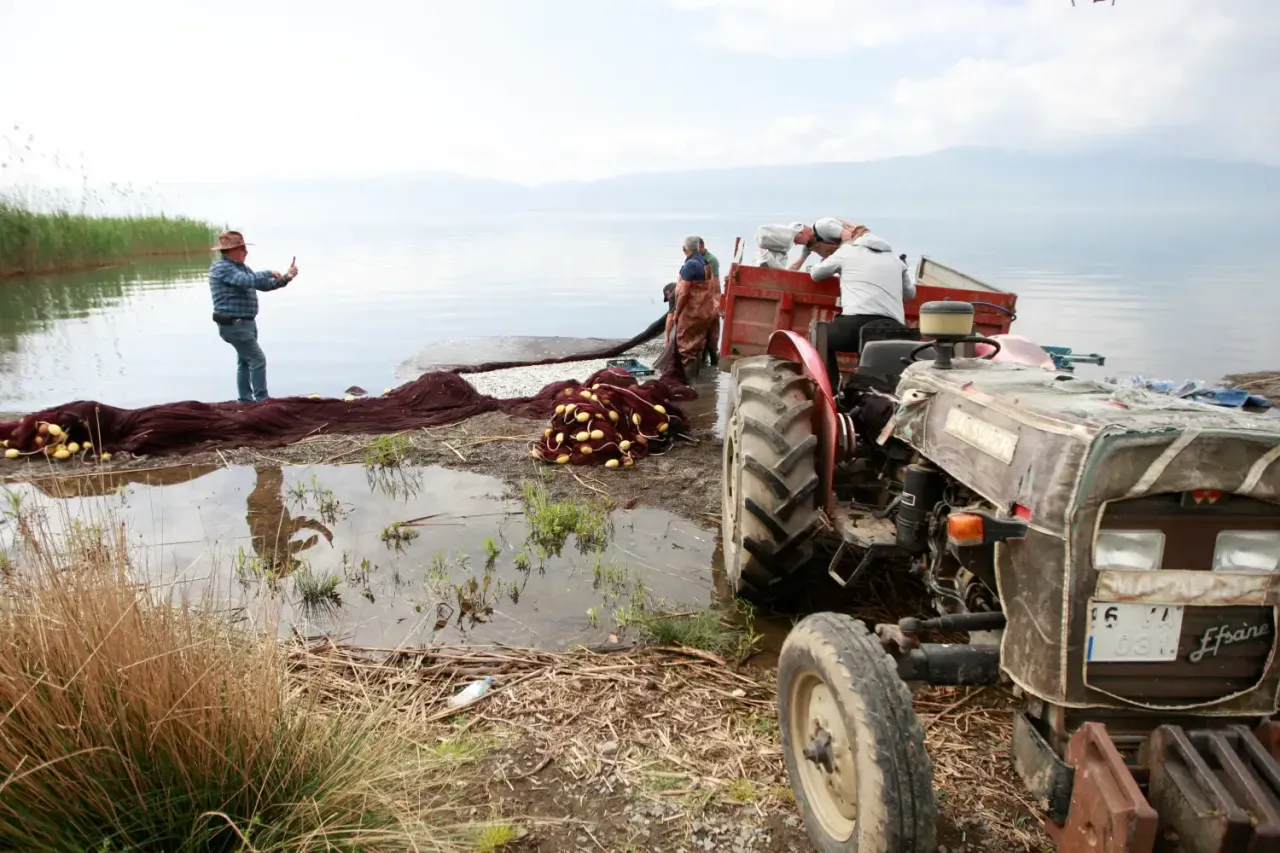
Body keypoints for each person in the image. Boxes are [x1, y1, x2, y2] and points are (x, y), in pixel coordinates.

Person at [809, 231, 915, 385]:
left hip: (855, 325)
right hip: (894, 329)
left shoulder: (847, 251)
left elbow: (816, 274)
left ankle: (830, 389)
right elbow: (910, 294)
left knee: (821, 336)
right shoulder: (896, 260)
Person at [208, 231, 298, 404]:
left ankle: (246, 400)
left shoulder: (241, 268)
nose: (246, 252)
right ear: (231, 250)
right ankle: (262, 400)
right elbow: (246, 281)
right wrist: (269, 272)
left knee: (245, 362)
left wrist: (286, 277)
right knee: (257, 359)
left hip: (246, 324)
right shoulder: (221, 268)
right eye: (242, 248)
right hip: (233, 324)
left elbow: (263, 285)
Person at [665, 236, 717, 377]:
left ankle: (691, 385)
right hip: (705, 311)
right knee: (697, 348)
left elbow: (684, 292)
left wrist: (678, 312)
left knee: (686, 350)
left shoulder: (690, 265)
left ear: (684, 249)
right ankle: (699, 383)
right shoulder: (706, 263)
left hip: (692, 314)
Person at [753, 218, 864, 270]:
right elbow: (797, 264)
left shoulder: (823, 226)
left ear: (801, 233)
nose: (796, 244)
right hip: (848, 261)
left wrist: (833, 259)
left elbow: (847, 236)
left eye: (796, 240)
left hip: (861, 248)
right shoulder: (809, 245)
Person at [697, 238, 722, 367]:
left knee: (712, 340)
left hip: (710, 302)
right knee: (701, 339)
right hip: (700, 303)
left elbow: (716, 284)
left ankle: (714, 366)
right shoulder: (695, 259)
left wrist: (717, 304)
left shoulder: (711, 260)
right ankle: (703, 363)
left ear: (701, 246)